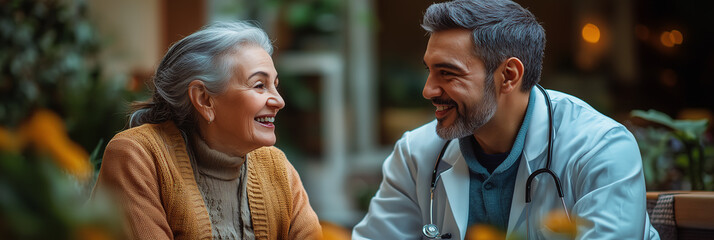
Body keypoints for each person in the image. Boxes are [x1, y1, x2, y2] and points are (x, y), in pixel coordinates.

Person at [352, 0, 660, 239]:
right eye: (429, 70)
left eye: (447, 73)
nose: (428, 90)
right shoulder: (416, 153)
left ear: (508, 76)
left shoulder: (601, 149)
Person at [92, 21, 322, 240]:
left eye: (276, 85)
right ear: (204, 100)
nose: (279, 101)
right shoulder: (138, 157)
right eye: (260, 85)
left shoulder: (276, 167)